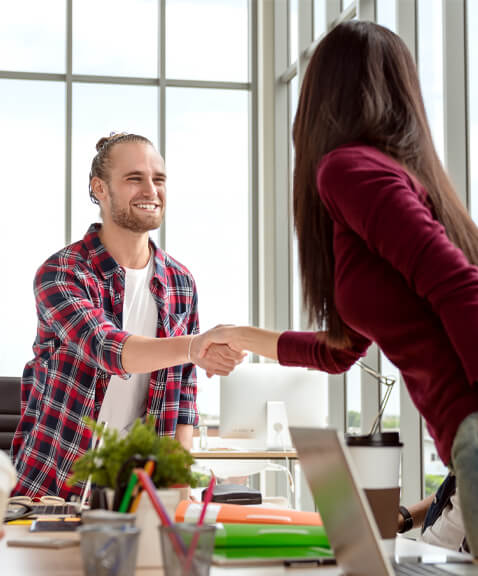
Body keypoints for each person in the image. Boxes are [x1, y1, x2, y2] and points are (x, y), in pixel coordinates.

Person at [195, 21, 478, 557]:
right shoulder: (397, 178)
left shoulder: (347, 169)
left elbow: (460, 285)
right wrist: (237, 335)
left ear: (323, 95)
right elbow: (342, 350)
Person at [11, 132, 242, 499]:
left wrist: (179, 498)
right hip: (52, 491)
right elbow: (107, 347)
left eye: (159, 179)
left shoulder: (180, 282)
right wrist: (195, 347)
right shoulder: (62, 273)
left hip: (136, 494)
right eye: (134, 178)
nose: (151, 190)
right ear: (99, 188)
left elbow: (182, 400)